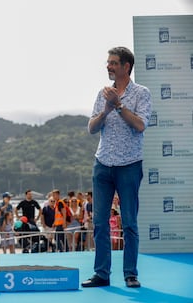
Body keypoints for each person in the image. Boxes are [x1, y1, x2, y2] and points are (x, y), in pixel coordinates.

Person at [82, 47, 152, 289]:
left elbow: (141, 125)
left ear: (126, 66)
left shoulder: (142, 93)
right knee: (100, 223)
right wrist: (106, 109)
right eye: (108, 62)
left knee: (129, 222)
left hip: (129, 166)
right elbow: (91, 127)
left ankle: (130, 274)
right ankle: (101, 273)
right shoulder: (103, 94)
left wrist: (119, 106)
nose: (108, 66)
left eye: (113, 63)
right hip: (102, 165)